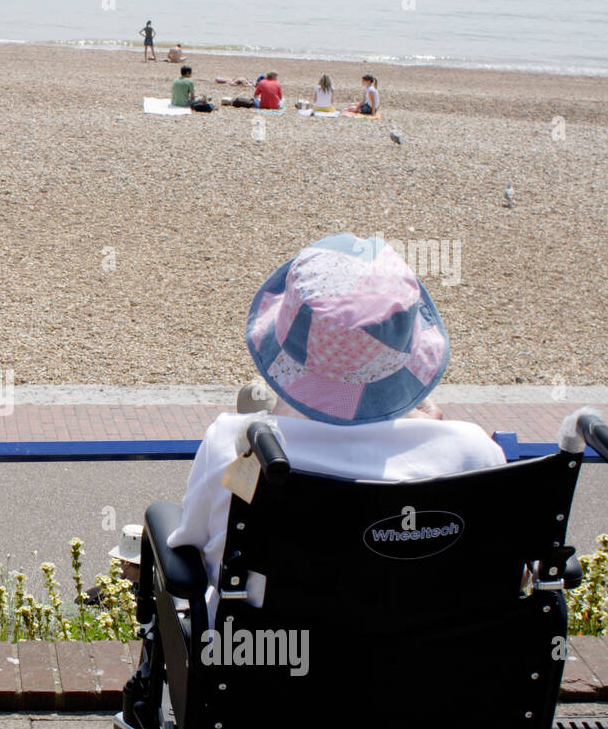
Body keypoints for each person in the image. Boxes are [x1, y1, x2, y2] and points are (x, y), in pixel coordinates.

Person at [166, 233, 506, 626]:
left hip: (264, 668)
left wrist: (279, 417)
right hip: (429, 676)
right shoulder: (473, 454)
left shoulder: (239, 444)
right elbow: (503, 575)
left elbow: (193, 556)